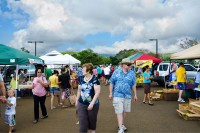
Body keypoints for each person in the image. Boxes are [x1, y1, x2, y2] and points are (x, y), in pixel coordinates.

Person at [109, 58, 137, 133]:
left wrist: (135, 94)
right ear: (123, 65)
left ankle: (121, 124)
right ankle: (120, 128)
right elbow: (111, 82)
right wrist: (110, 93)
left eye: (130, 64)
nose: (130, 66)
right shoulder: (116, 72)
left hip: (127, 95)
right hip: (117, 94)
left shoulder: (132, 73)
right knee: (119, 111)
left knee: (124, 112)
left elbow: (133, 84)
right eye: (128, 64)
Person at [75, 63, 101, 133]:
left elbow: (97, 92)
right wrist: (77, 100)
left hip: (93, 104)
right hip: (82, 103)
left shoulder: (95, 79)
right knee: (82, 121)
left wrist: (92, 103)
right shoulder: (80, 78)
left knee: (92, 119)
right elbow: (79, 91)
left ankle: (93, 131)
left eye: (83, 70)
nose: (81, 71)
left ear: (89, 71)